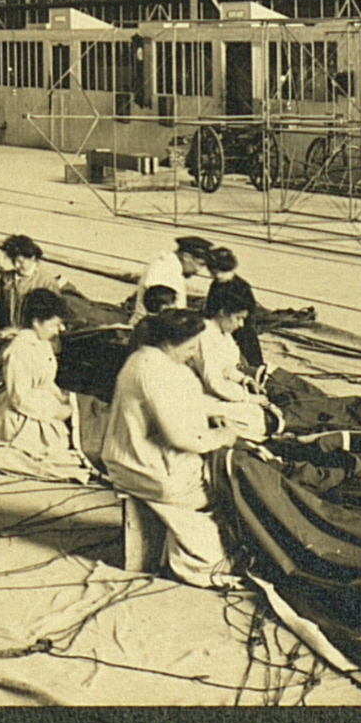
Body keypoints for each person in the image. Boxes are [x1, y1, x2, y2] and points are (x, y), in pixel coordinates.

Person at [102, 309, 245, 588]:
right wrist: (222, 436)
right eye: (190, 347)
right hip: (143, 466)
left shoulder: (151, 359)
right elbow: (179, 437)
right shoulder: (151, 370)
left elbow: (184, 404)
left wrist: (217, 416)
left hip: (139, 455)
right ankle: (190, 559)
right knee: (220, 492)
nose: (193, 354)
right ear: (170, 343)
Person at [0, 288, 91, 480]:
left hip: (39, 403)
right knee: (55, 455)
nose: (60, 330)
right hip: (19, 415)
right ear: (37, 322)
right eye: (55, 324)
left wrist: (63, 398)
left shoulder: (43, 343)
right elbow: (19, 398)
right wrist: (54, 411)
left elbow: (46, 382)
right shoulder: (20, 349)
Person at [197, 281, 270, 441]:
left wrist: (245, 379)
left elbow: (227, 368)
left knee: (256, 413)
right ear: (222, 312)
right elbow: (214, 382)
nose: (241, 324)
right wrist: (248, 398)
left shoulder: (223, 332)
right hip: (202, 395)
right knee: (254, 415)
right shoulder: (205, 335)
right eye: (238, 318)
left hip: (217, 392)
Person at [0, 234, 69, 332]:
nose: (16, 265)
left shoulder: (46, 282)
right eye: (13, 261)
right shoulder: (7, 279)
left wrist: (19, 331)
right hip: (7, 333)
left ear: (32, 257)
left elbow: (53, 319)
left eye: (20, 261)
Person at [204, 247, 265, 376]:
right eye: (213, 272)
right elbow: (210, 308)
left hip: (242, 330)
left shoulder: (241, 286)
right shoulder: (215, 285)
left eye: (221, 272)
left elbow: (249, 313)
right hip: (221, 327)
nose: (218, 276)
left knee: (252, 362)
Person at [132, 234, 213, 313]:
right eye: (200, 264)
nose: (198, 270)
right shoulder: (166, 270)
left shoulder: (170, 265)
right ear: (186, 257)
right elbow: (161, 313)